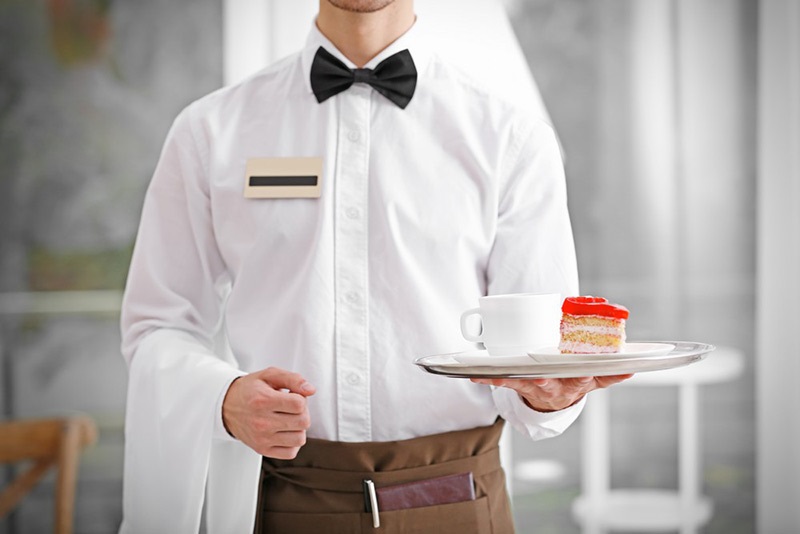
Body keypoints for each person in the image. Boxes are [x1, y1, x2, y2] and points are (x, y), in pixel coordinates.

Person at [119, 0, 631, 532]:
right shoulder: (209, 131)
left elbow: (532, 369)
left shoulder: (513, 139)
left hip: (458, 497)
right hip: (280, 497)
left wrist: (547, 396)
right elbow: (158, 325)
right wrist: (222, 400)